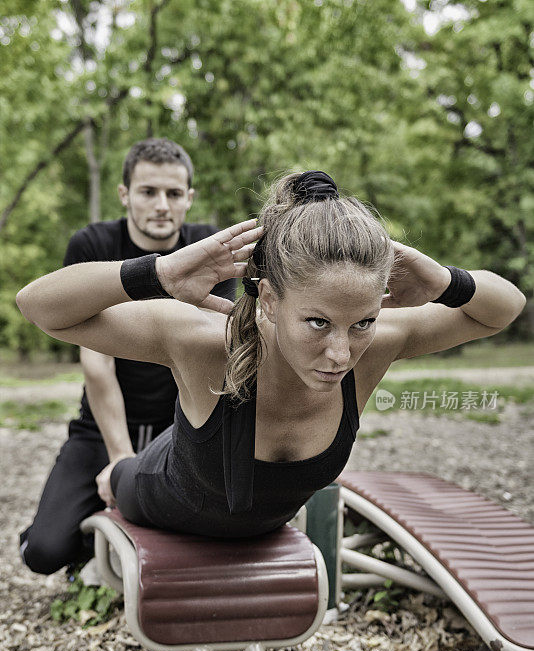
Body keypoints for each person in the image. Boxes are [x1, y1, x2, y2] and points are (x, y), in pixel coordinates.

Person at [16, 171, 526, 541]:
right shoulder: (204, 342)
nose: (341, 353)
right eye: (318, 322)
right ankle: (112, 478)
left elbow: (504, 308)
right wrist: (158, 275)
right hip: (156, 491)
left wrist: (444, 281)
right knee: (108, 489)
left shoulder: (379, 345)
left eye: (363, 323)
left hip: (250, 520)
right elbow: (39, 307)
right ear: (269, 299)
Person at [19, 138, 235, 572]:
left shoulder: (209, 250)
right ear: (124, 195)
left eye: (174, 194)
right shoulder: (94, 245)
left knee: (204, 537)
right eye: (148, 192)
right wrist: (120, 458)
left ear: (189, 199)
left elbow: (212, 358)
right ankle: (91, 548)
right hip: (99, 427)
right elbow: (96, 364)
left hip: (177, 424)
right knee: (43, 553)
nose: (161, 205)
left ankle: (122, 549)